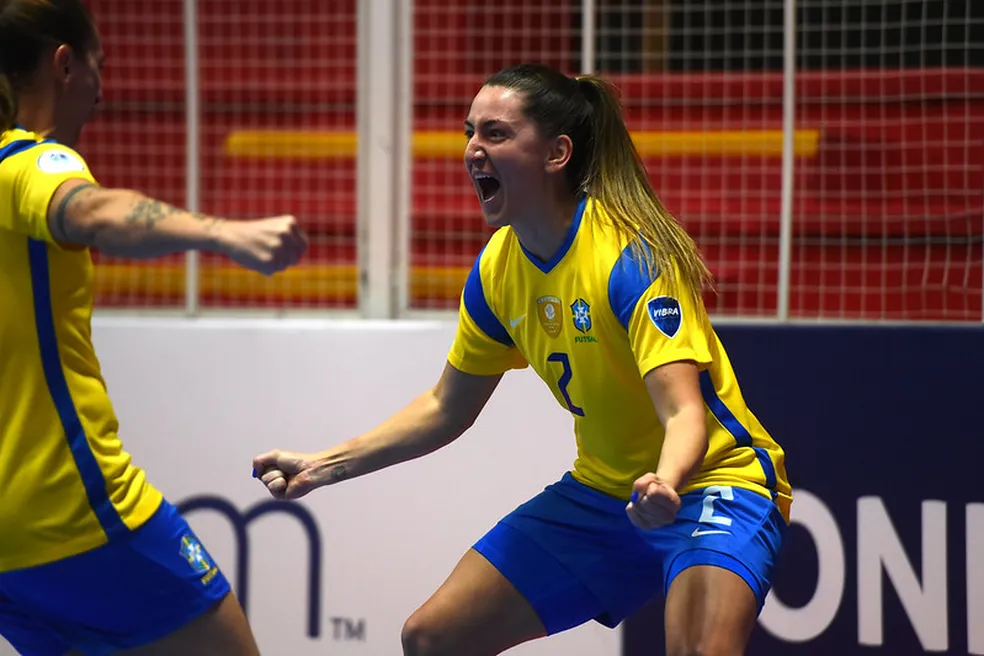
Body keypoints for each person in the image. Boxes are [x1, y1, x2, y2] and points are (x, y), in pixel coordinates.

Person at [253, 63, 792, 656]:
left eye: (495, 134)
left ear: (556, 153)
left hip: (712, 484)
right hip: (602, 496)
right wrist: (324, 465)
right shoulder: (496, 270)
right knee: (434, 637)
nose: (472, 150)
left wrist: (665, 482)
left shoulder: (627, 259)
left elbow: (684, 411)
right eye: (469, 133)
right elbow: (444, 407)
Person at [0, 1, 309, 654]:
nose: (102, 90)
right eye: (97, 67)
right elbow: (93, 211)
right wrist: (225, 233)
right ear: (63, 65)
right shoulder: (26, 165)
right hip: (73, 510)